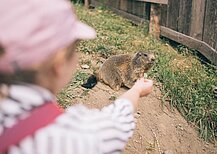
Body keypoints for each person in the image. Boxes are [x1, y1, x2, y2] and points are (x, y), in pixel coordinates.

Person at [0, 0, 153, 153]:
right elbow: (116, 124)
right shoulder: (71, 135)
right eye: (75, 50)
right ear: (58, 64)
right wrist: (137, 90)